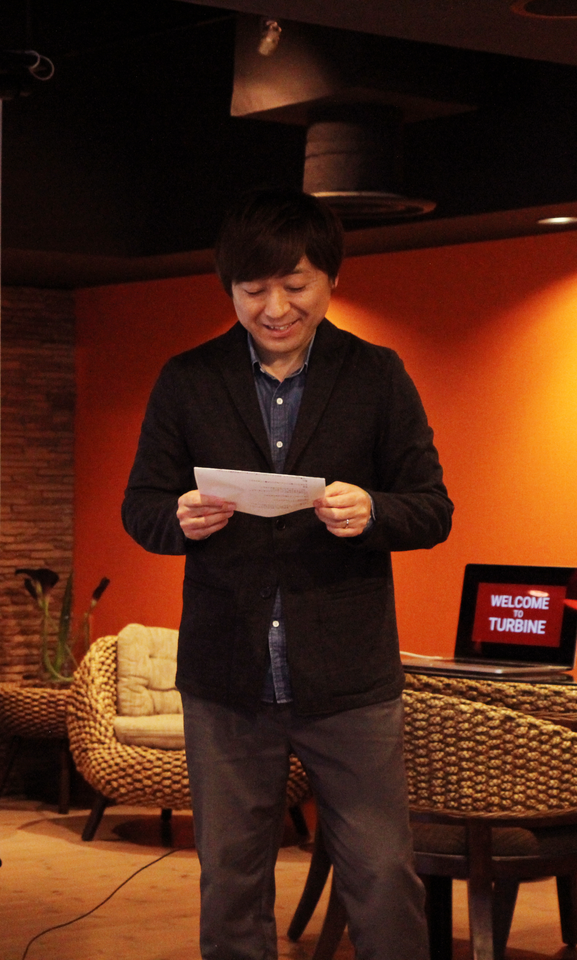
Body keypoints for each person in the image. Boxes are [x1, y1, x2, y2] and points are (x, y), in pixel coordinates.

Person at [122, 189, 453, 960]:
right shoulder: (188, 378)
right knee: (231, 883)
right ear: (229, 288)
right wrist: (179, 518)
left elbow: (431, 507)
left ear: (331, 278)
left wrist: (374, 511)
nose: (275, 308)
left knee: (381, 874)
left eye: (295, 285)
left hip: (349, 679)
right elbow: (141, 507)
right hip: (226, 677)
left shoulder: (376, 374)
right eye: (253, 289)